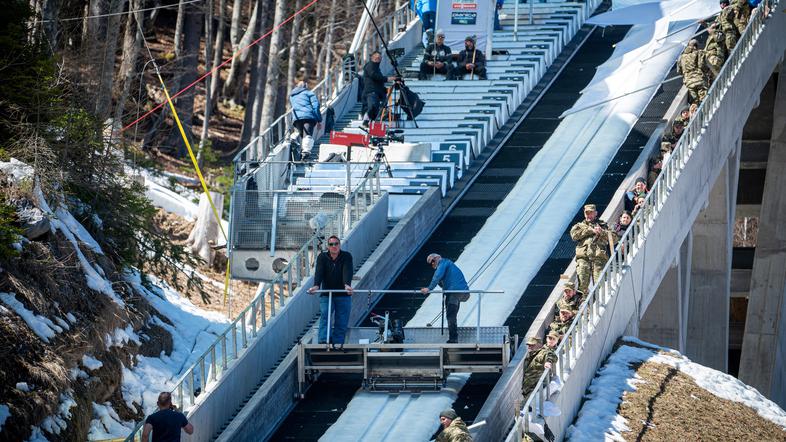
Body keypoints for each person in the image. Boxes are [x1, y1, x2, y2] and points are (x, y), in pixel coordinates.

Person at [309, 235, 354, 346]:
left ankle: (338, 343)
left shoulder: (346, 256)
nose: (334, 246)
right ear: (328, 246)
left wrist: (347, 285)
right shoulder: (322, 257)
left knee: (341, 320)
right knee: (325, 315)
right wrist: (316, 285)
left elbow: (347, 271)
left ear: (339, 245)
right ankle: (324, 341)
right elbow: (319, 272)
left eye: (336, 244)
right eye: (331, 244)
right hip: (327, 295)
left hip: (342, 295)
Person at [421, 253, 469, 343]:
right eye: (430, 263)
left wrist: (429, 288)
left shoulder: (443, 263)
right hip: (459, 292)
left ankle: (453, 339)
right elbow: (441, 280)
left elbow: (437, 276)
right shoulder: (447, 265)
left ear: (438, 257)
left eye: (432, 261)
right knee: (451, 314)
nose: (432, 264)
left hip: (455, 292)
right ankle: (453, 337)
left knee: (450, 314)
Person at [570, 204, 611, 294]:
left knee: (600, 284)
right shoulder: (579, 226)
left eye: (591, 213)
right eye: (587, 213)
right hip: (583, 258)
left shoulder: (603, 225)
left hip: (598, 258)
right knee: (582, 286)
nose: (589, 215)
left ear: (595, 213)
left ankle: (600, 303)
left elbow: (613, 238)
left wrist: (602, 232)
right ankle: (585, 305)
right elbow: (574, 236)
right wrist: (590, 230)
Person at [361, 51, 396, 127]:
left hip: (377, 92)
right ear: (372, 58)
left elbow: (378, 81)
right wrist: (387, 79)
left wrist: (384, 89)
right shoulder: (370, 65)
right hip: (371, 92)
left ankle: (372, 121)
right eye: (376, 58)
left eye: (379, 58)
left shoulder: (377, 68)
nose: (378, 59)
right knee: (372, 106)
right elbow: (374, 76)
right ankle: (366, 120)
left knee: (377, 107)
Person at [288, 80, 321, 161]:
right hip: (308, 117)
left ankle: (294, 141)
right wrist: (319, 120)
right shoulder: (309, 93)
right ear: (305, 86)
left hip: (297, 118)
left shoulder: (292, 96)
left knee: (302, 135)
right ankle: (305, 154)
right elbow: (316, 106)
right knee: (307, 136)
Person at [521, 332, 558, 398]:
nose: (529, 347)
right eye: (529, 345)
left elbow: (550, 355)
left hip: (536, 389)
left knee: (523, 407)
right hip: (528, 390)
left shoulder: (542, 353)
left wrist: (548, 362)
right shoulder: (532, 355)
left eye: (532, 345)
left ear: (539, 345)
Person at [677, 39, 708, 104]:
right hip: (699, 79)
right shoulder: (699, 53)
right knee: (704, 100)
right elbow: (701, 65)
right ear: (696, 46)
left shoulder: (681, 57)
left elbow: (679, 71)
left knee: (695, 102)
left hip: (688, 82)